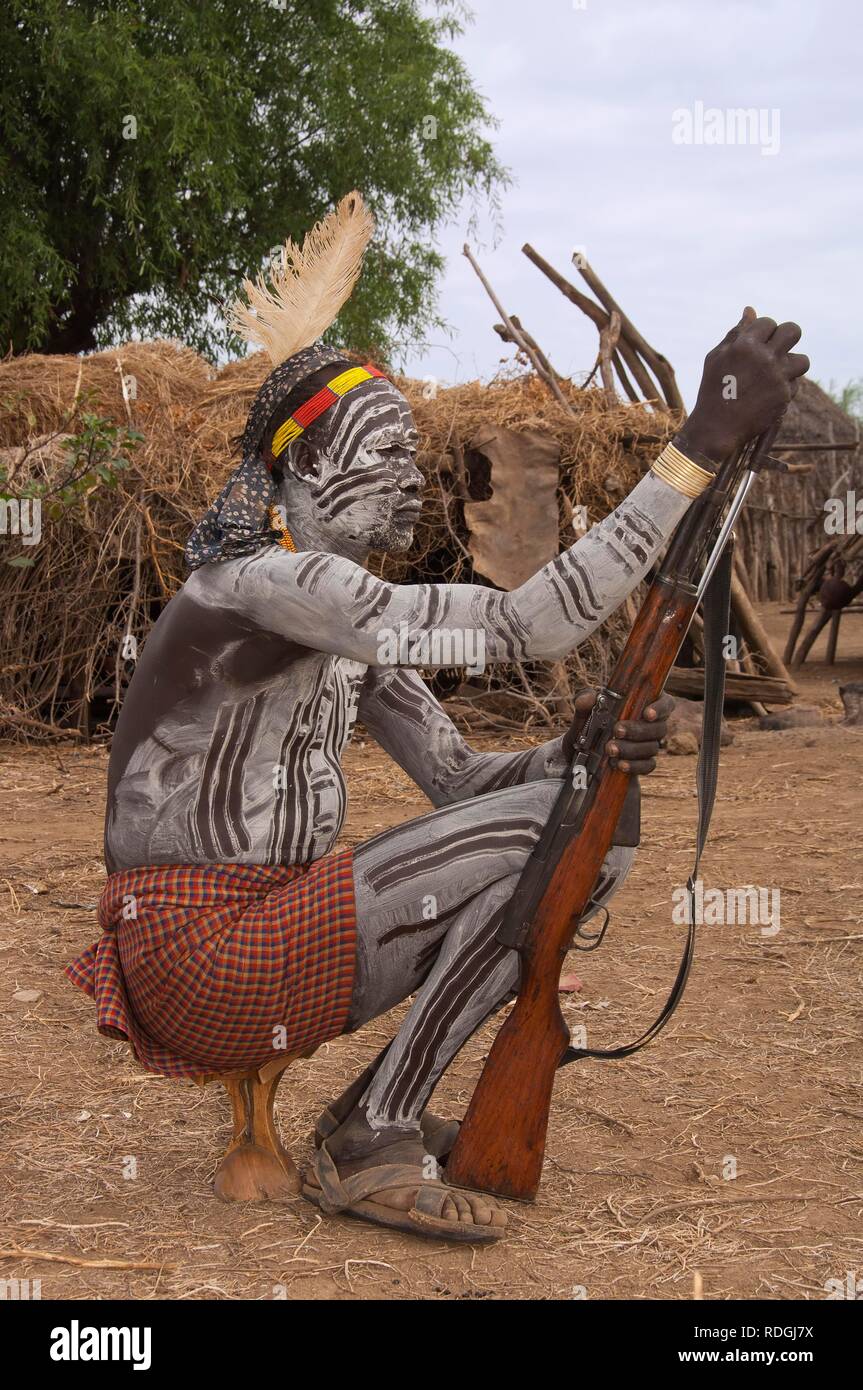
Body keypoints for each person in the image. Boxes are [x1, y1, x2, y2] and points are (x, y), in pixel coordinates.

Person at [67, 193, 808, 1241]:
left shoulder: (331, 626)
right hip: (206, 958)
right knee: (546, 836)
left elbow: (459, 779)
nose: (408, 488)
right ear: (303, 470)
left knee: (584, 826)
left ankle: (375, 1115)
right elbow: (525, 626)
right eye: (378, 462)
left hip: (269, 938)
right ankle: (369, 1128)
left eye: (410, 463)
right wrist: (692, 446)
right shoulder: (259, 588)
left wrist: (577, 750)